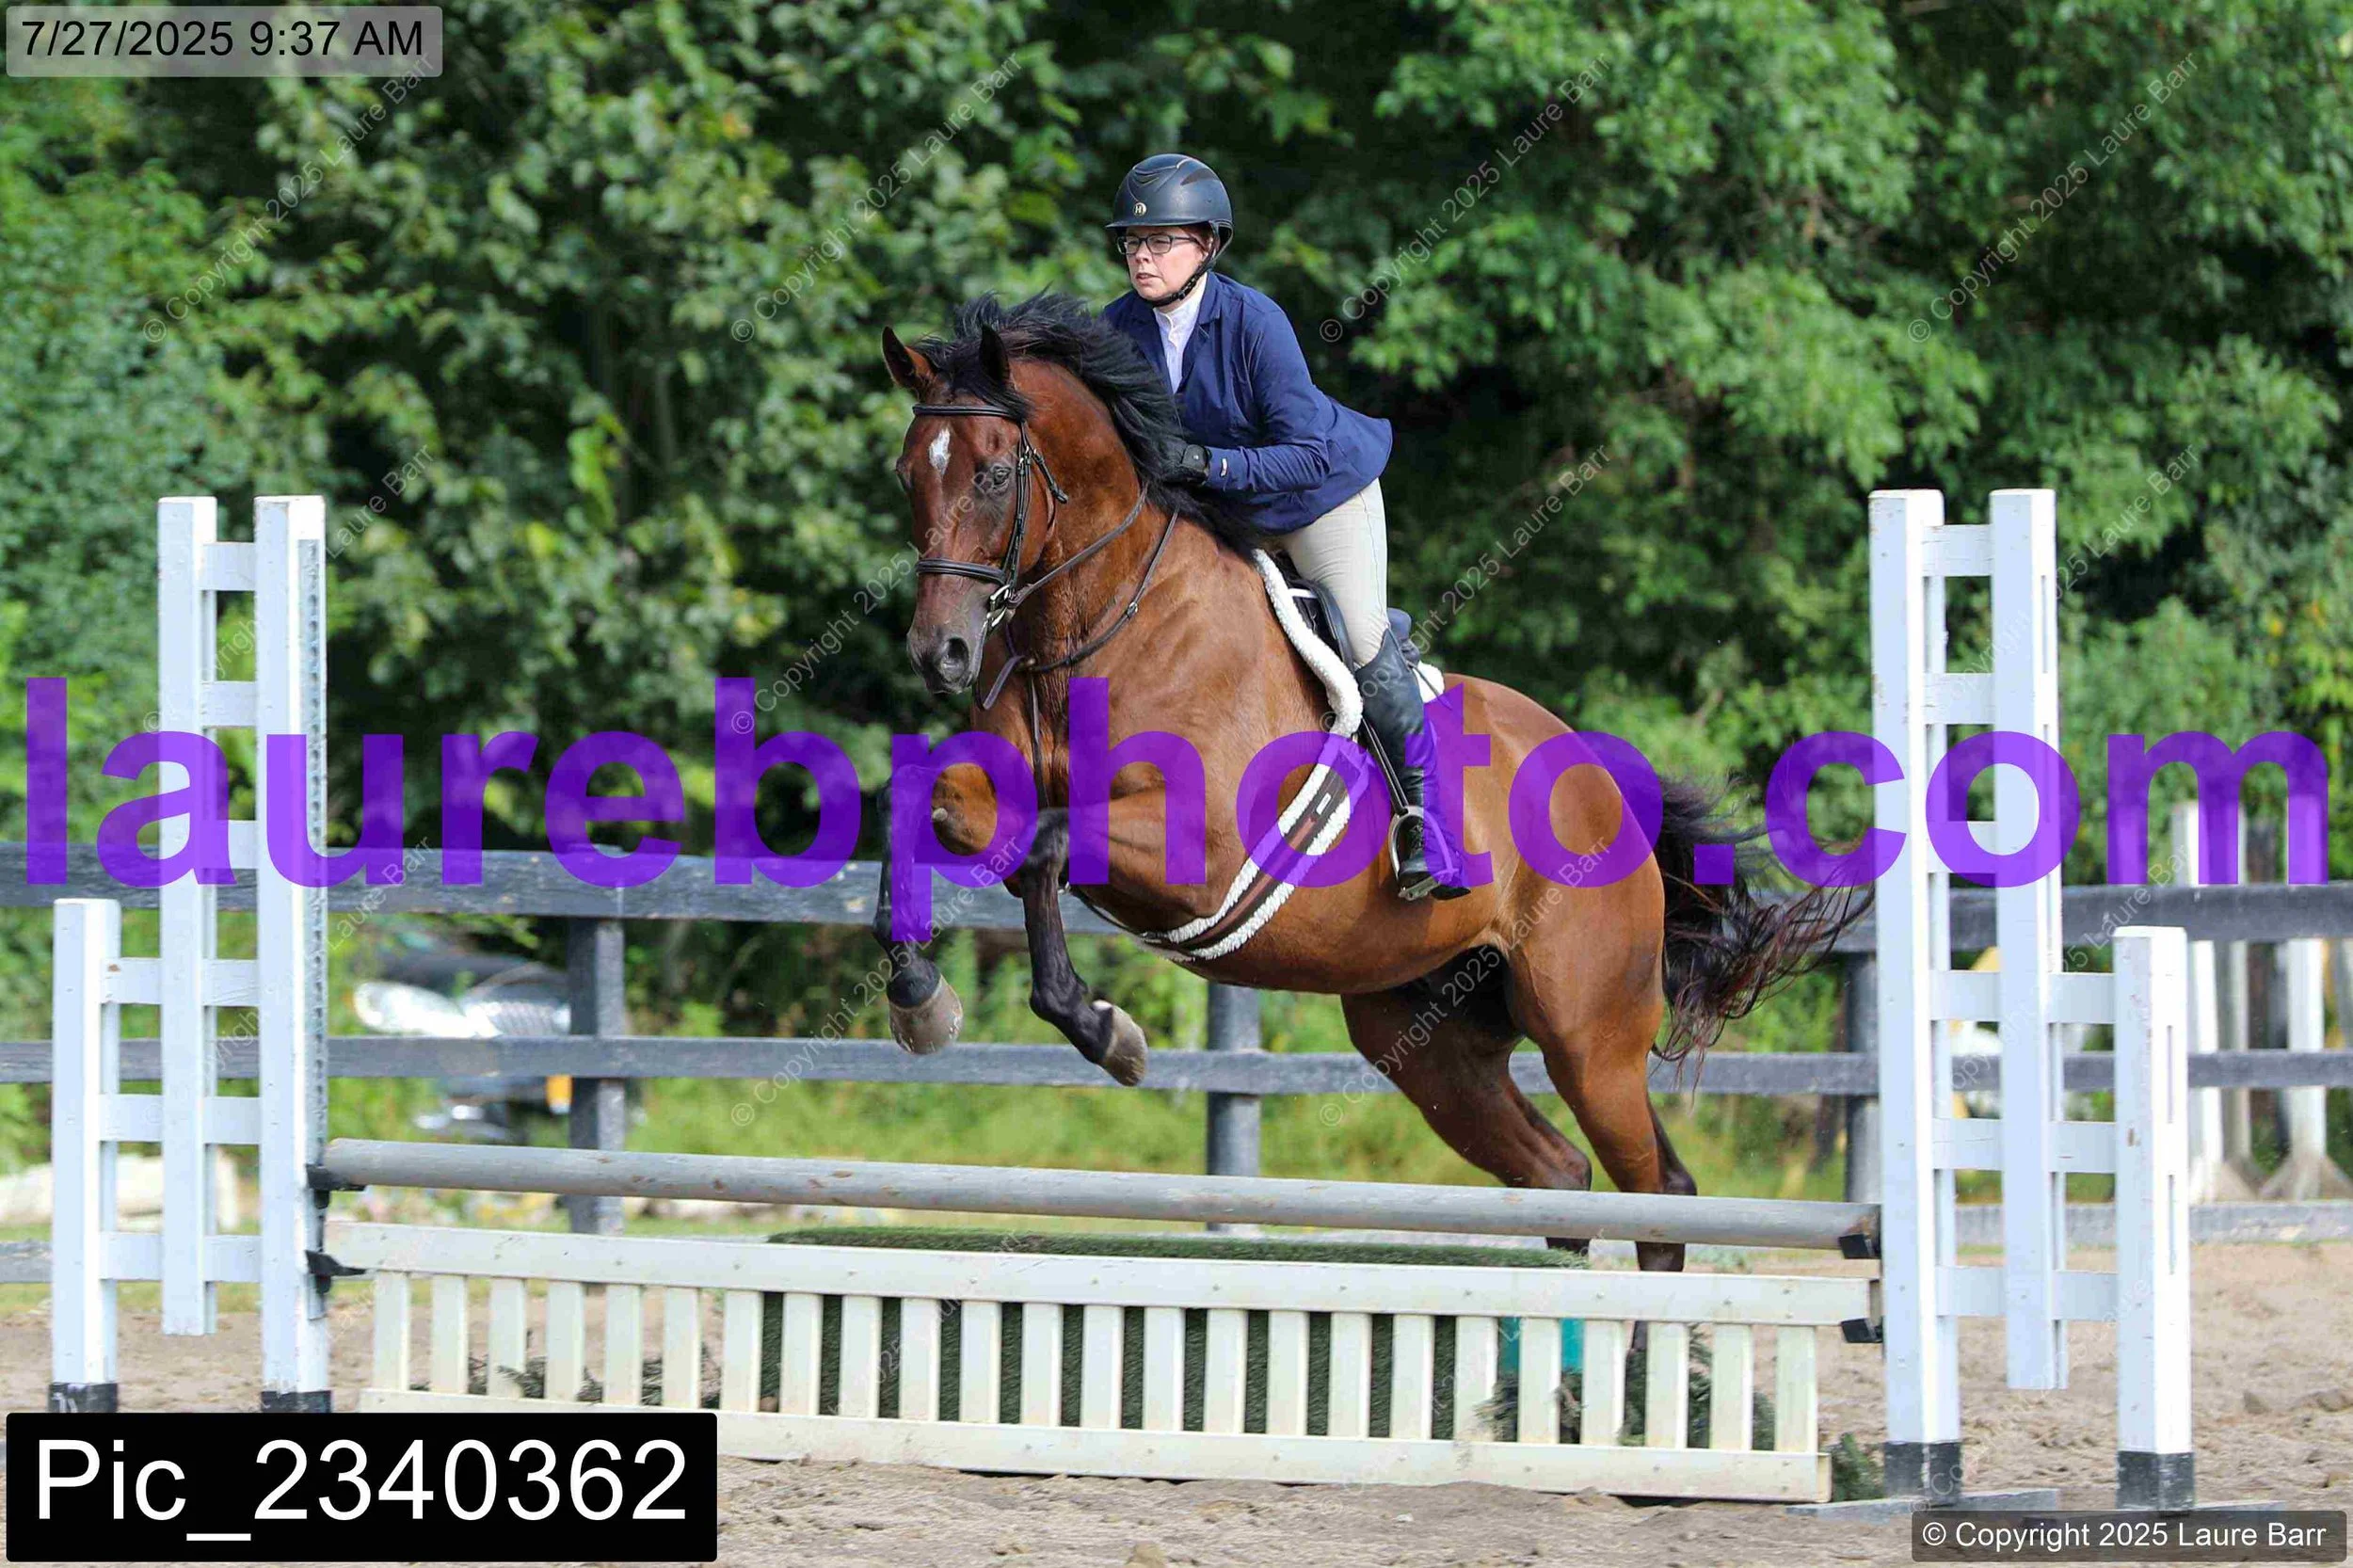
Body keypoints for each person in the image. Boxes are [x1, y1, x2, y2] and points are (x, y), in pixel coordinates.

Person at [1099, 152, 1464, 903]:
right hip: (1225, 513)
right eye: (1133, 242)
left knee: (1360, 637)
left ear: (1208, 244)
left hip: (1318, 499)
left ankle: (1428, 824)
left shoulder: (1253, 321)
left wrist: (1209, 464)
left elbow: (1306, 453)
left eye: (1162, 240)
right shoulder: (1115, 329)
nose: (1142, 255)